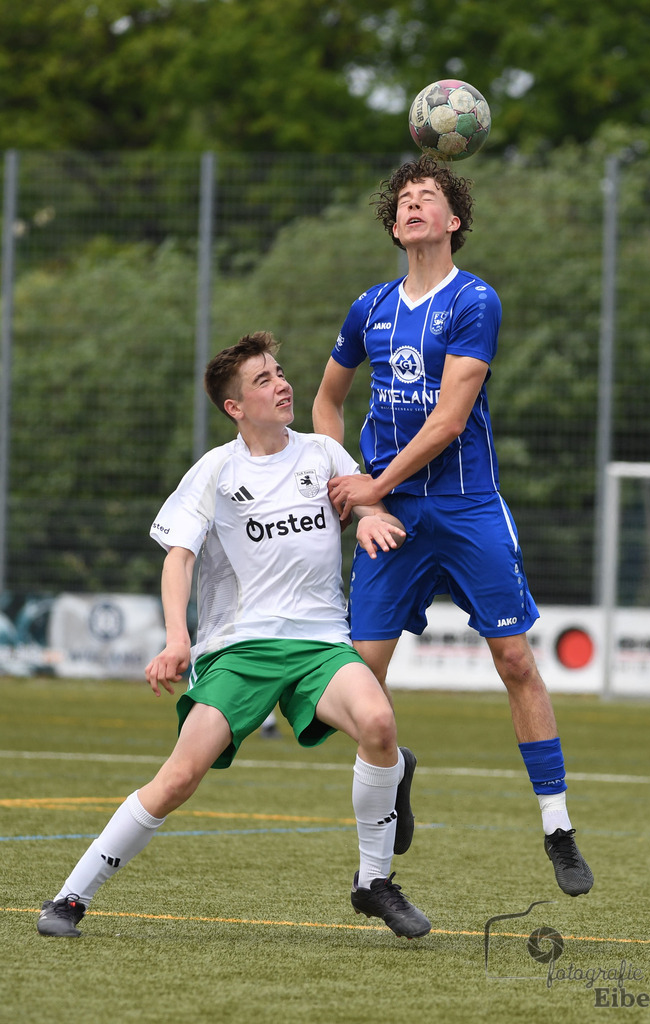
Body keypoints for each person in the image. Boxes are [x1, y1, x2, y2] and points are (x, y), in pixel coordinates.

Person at [37, 332, 430, 940]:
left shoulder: (324, 453)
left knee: (379, 724)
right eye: (264, 380)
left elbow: (366, 498)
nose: (282, 384)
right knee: (179, 778)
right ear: (235, 408)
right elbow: (179, 557)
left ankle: (372, 883)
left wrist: (375, 518)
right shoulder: (217, 471)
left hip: (320, 644)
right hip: (239, 651)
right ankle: (69, 898)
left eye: (280, 372)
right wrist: (176, 639)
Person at [312, 155, 594, 898]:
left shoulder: (474, 300)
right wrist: (366, 502)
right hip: (393, 518)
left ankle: (557, 826)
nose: (411, 206)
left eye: (426, 197)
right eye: (402, 199)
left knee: (514, 662)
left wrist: (373, 481)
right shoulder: (368, 308)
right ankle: (394, 770)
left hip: (467, 508)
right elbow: (326, 406)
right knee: (354, 685)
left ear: (452, 221)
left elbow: (448, 420)